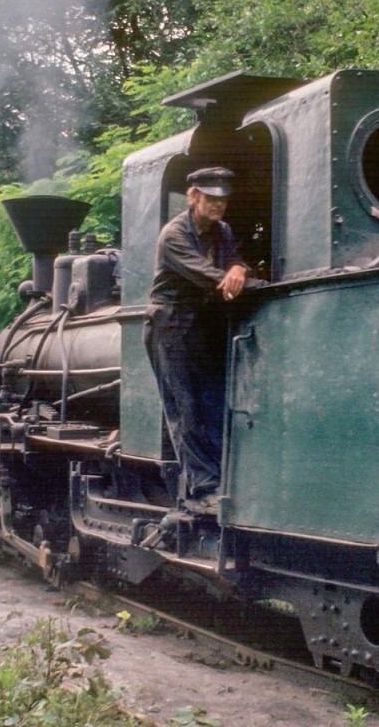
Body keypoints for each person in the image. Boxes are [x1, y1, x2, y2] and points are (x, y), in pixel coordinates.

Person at [143, 167, 250, 513]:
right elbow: (207, 276)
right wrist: (236, 278)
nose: (219, 205)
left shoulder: (222, 231)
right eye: (211, 198)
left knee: (212, 402)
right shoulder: (174, 235)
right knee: (185, 407)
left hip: (201, 325)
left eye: (223, 199)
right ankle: (202, 488)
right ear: (193, 197)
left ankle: (222, 481)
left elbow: (233, 260)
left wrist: (240, 268)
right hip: (170, 325)